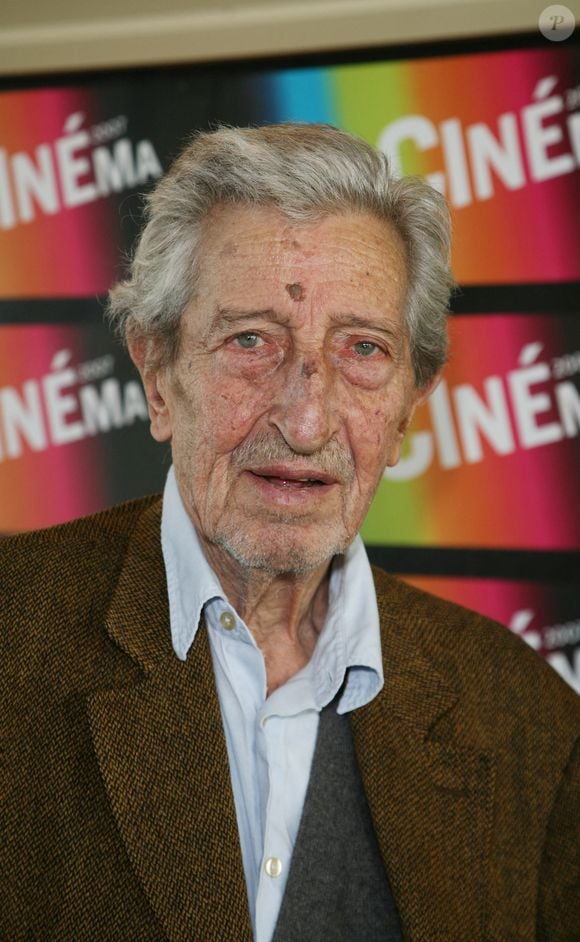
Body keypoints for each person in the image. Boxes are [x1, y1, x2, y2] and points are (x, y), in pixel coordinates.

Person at [2, 124, 578, 942]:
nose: (307, 421)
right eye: (251, 342)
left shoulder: (530, 727)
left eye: (363, 350)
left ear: (411, 404)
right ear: (157, 373)